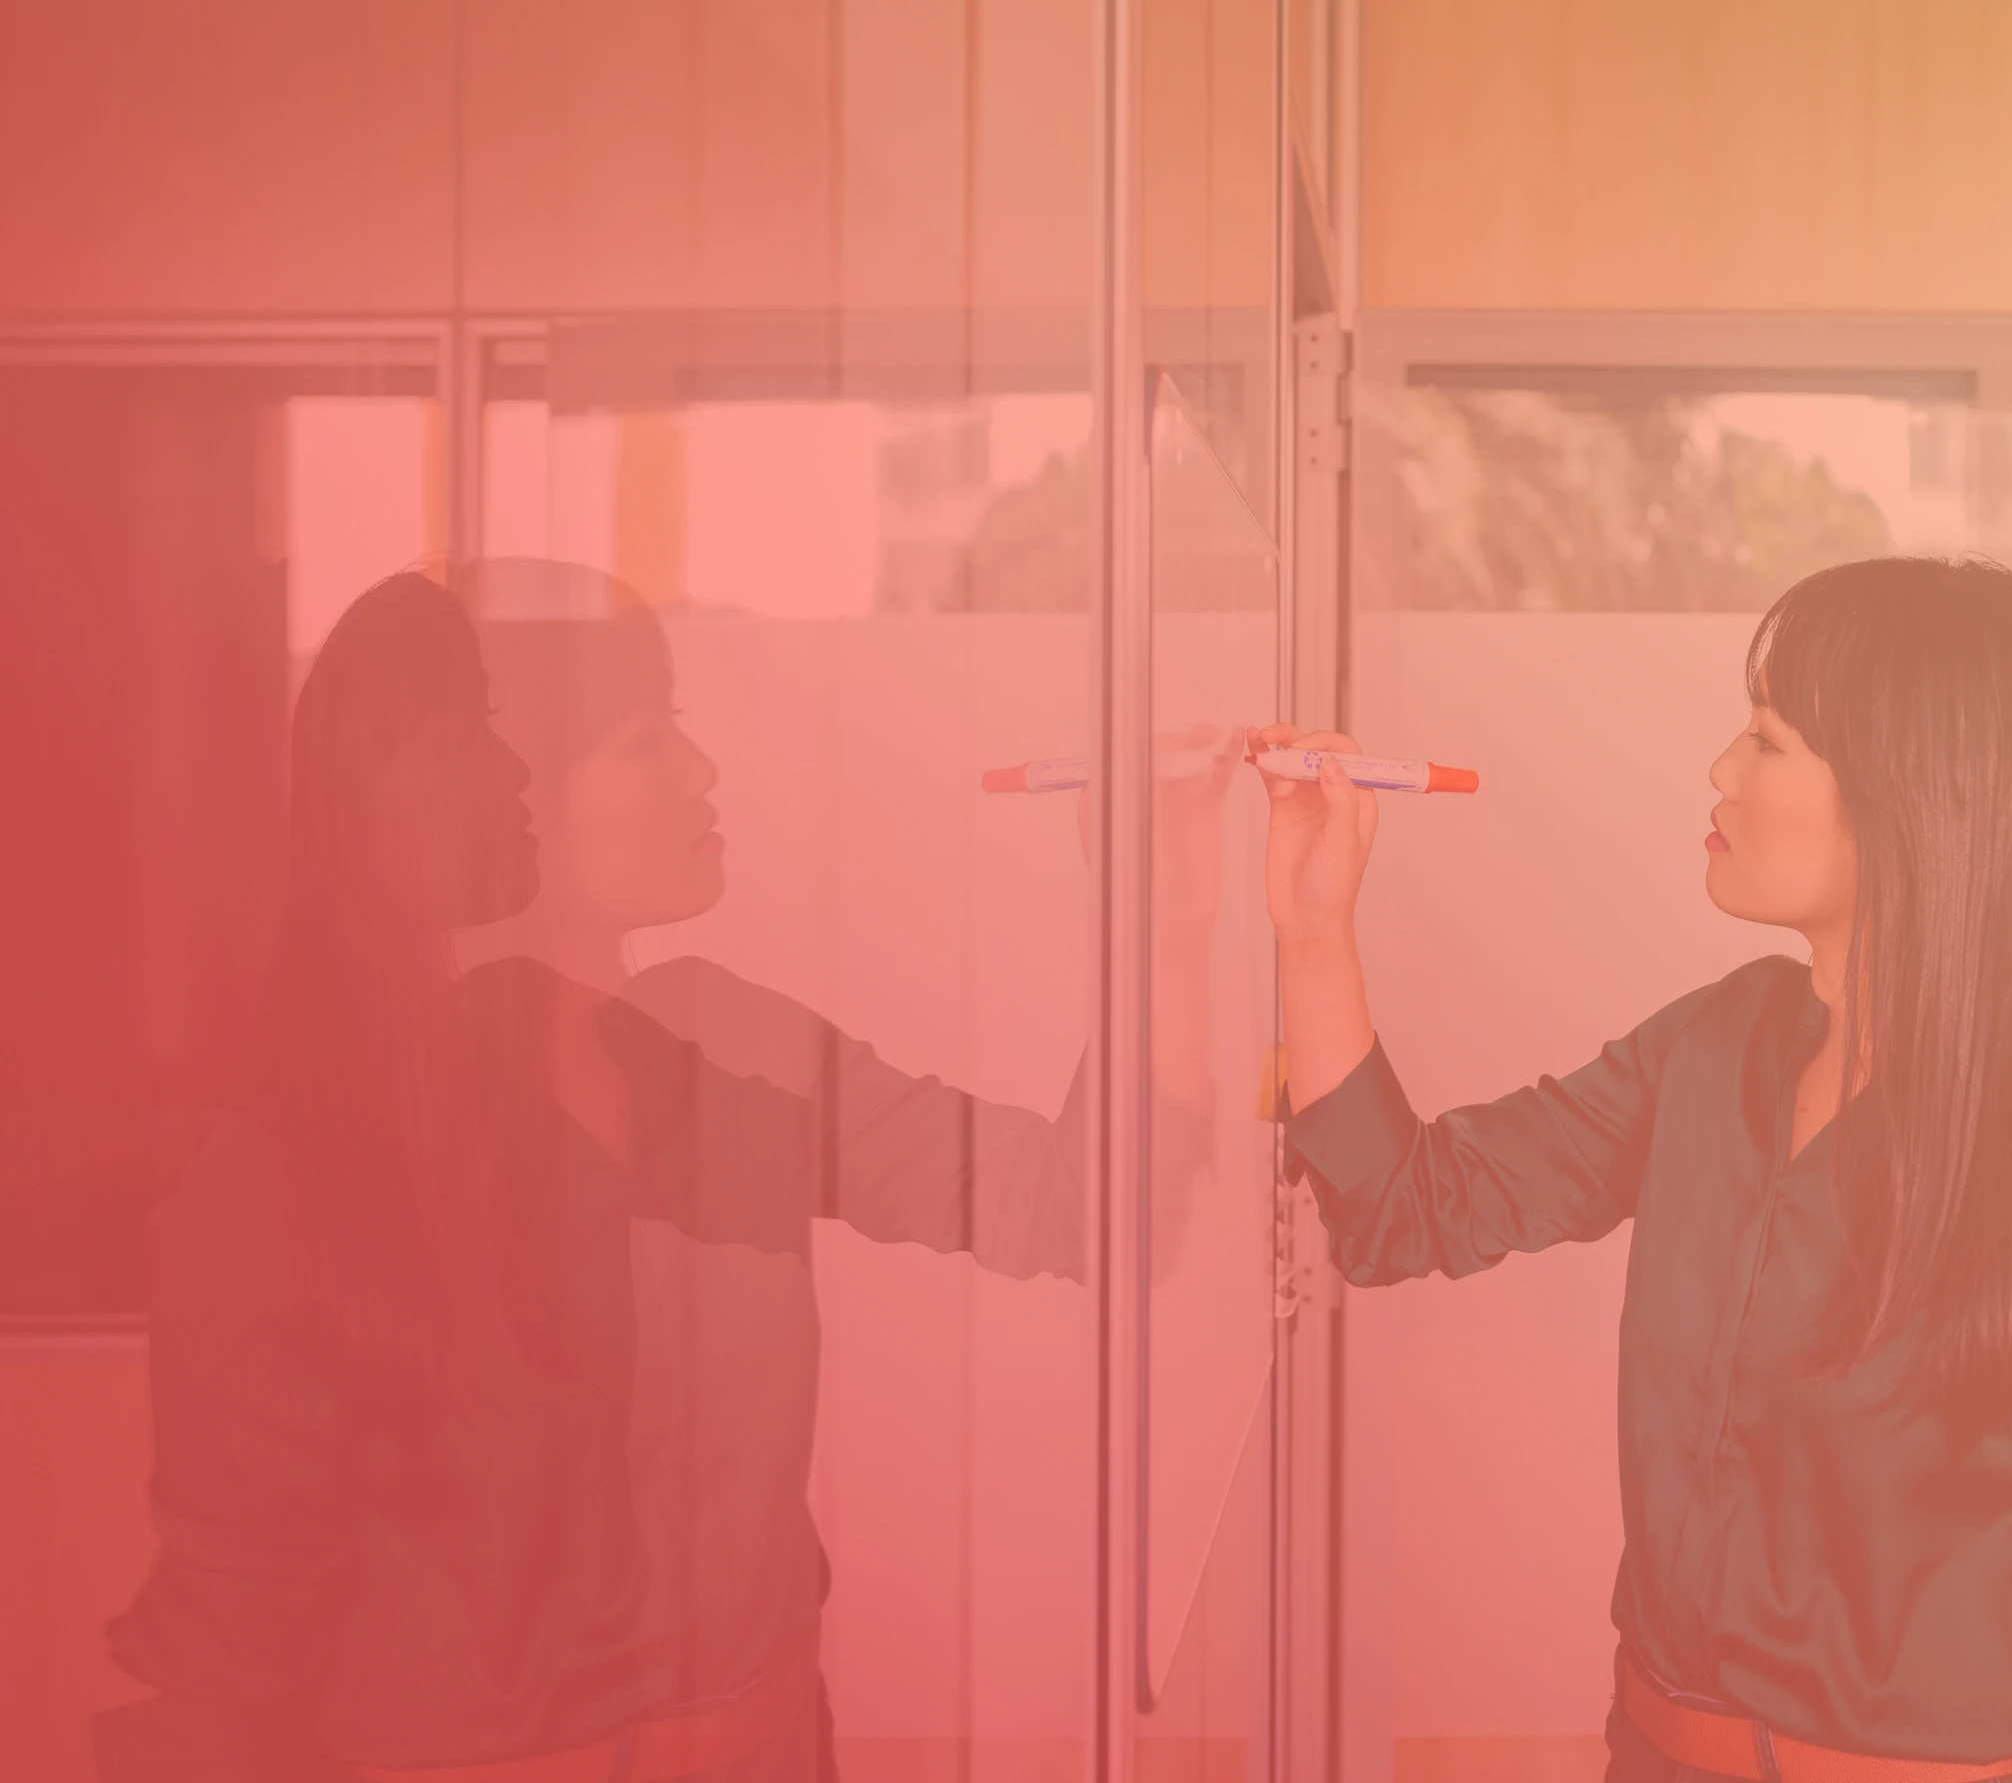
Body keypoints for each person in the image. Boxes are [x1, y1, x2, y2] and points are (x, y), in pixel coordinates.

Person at [97, 565, 1206, 1781]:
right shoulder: (287, 1164)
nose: (702, 771)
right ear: (500, 785)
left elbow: (1085, 1209)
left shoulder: (739, 1051)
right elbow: (233, 1640)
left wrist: (1161, 907)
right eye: (644, 739)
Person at [1258, 556, 2012, 1782]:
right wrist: (1312, 924)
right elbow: (1402, 1209)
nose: (1722, 771)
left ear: (1915, 803)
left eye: (1769, 740)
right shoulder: (1716, 1046)